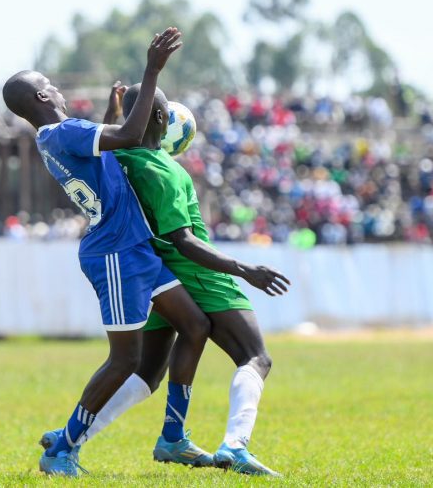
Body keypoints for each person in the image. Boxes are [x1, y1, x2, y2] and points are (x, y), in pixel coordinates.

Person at [42, 83, 290, 476]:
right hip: (196, 273)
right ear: (163, 120)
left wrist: (114, 115)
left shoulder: (121, 156)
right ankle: (234, 445)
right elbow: (185, 239)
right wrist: (246, 270)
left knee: (148, 370)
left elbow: (106, 145)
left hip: (153, 273)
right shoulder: (167, 171)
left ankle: (79, 436)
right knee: (255, 356)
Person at [3, 27, 212, 477]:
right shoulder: (64, 132)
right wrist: (152, 70)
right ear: (42, 95)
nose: (57, 87)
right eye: (51, 83)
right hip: (115, 252)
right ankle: (63, 448)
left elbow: (106, 146)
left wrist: (113, 111)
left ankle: (174, 437)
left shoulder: (60, 137)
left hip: (132, 248)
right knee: (125, 359)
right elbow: (132, 134)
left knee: (194, 324)